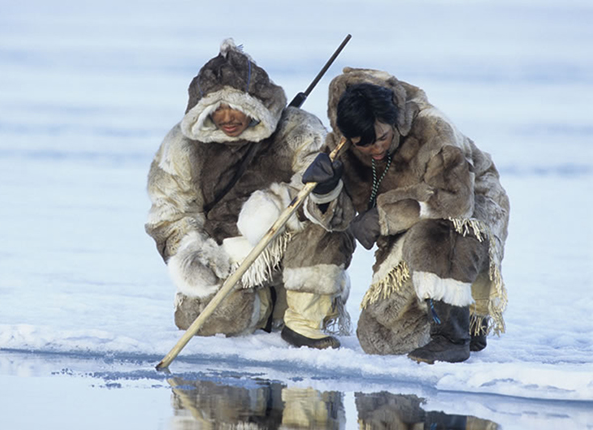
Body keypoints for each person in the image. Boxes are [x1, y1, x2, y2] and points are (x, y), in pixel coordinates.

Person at [145, 39, 355, 349]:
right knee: (213, 321)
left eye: (236, 106)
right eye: (217, 108)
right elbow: (169, 211)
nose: (227, 117)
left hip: (284, 243)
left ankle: (306, 319)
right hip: (224, 257)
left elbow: (327, 201)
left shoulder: (298, 129)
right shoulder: (183, 144)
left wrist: (310, 194)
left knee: (323, 228)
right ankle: (267, 305)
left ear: (255, 103)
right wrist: (196, 257)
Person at [302, 67, 510, 363]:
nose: (376, 148)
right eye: (365, 143)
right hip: (409, 220)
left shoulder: (433, 130)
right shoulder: (340, 147)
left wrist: (383, 217)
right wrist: (324, 189)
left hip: (471, 206)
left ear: (393, 121)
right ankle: (441, 314)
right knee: (380, 339)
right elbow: (338, 220)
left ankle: (457, 333)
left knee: (439, 233)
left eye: (382, 137)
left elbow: (455, 202)